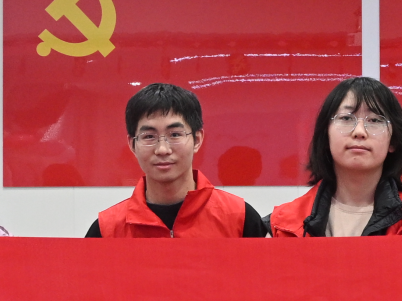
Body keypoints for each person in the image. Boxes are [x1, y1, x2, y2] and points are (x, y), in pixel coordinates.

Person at [84, 82, 269, 237]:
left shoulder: (240, 219)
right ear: (132, 144)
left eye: (175, 134)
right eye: (149, 136)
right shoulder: (107, 230)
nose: (162, 149)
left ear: (197, 139)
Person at [271, 77, 402, 236]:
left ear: (393, 141)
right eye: (346, 118)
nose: (359, 131)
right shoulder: (283, 227)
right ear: (326, 135)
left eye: (374, 120)